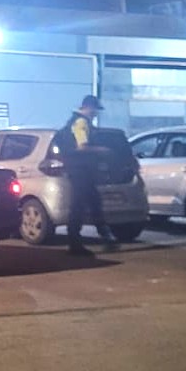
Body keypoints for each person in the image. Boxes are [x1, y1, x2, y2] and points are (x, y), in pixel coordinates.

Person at [61, 95, 119, 256]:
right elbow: (82, 147)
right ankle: (76, 244)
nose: (95, 113)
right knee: (79, 205)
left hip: (79, 170)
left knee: (92, 202)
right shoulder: (81, 122)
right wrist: (102, 150)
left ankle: (106, 237)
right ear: (88, 107)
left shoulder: (75, 121)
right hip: (80, 170)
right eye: (95, 110)